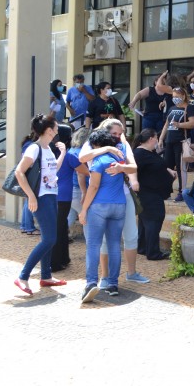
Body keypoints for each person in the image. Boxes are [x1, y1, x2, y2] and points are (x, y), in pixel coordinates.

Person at [80, 118, 149, 284]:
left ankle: (130, 273)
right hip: (101, 198)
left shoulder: (123, 145)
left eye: (120, 133)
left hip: (121, 195)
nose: (118, 136)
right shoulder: (94, 142)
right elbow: (82, 158)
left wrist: (122, 169)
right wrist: (106, 148)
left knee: (130, 235)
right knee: (104, 241)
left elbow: (133, 166)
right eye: (114, 134)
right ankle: (105, 276)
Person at [13, 115, 67, 296]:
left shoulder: (47, 148)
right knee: (50, 239)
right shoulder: (34, 148)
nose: (58, 129)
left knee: (48, 237)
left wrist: (63, 154)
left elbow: (53, 171)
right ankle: (23, 276)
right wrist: (31, 196)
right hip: (41, 198)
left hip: (50, 195)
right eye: (56, 126)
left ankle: (46, 276)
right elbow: (19, 172)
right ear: (49, 130)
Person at [78, 129, 128, 302]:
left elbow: (93, 187)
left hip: (99, 206)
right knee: (114, 245)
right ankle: (113, 284)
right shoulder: (118, 159)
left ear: (95, 146)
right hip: (119, 205)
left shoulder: (98, 161)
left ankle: (91, 283)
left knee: (93, 245)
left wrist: (83, 209)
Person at [132, 129, 176, 260]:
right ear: (151, 138)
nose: (157, 140)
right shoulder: (139, 154)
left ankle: (143, 247)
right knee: (154, 219)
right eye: (156, 138)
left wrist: (167, 170)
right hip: (147, 192)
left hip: (153, 192)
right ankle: (153, 252)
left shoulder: (148, 152)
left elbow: (156, 164)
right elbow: (133, 170)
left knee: (145, 221)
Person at [52, 126, 89, 272]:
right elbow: (85, 172)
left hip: (51, 195)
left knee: (59, 228)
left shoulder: (49, 153)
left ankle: (62, 259)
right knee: (60, 229)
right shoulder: (68, 156)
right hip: (63, 196)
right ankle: (57, 261)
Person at [158, 86, 194, 202]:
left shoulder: (189, 108)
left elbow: (193, 123)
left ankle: (182, 191)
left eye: (177, 96)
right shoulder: (171, 108)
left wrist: (179, 125)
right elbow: (166, 124)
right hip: (169, 141)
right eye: (173, 96)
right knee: (167, 167)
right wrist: (161, 139)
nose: (175, 99)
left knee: (181, 168)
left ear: (183, 96)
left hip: (181, 141)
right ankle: (166, 191)